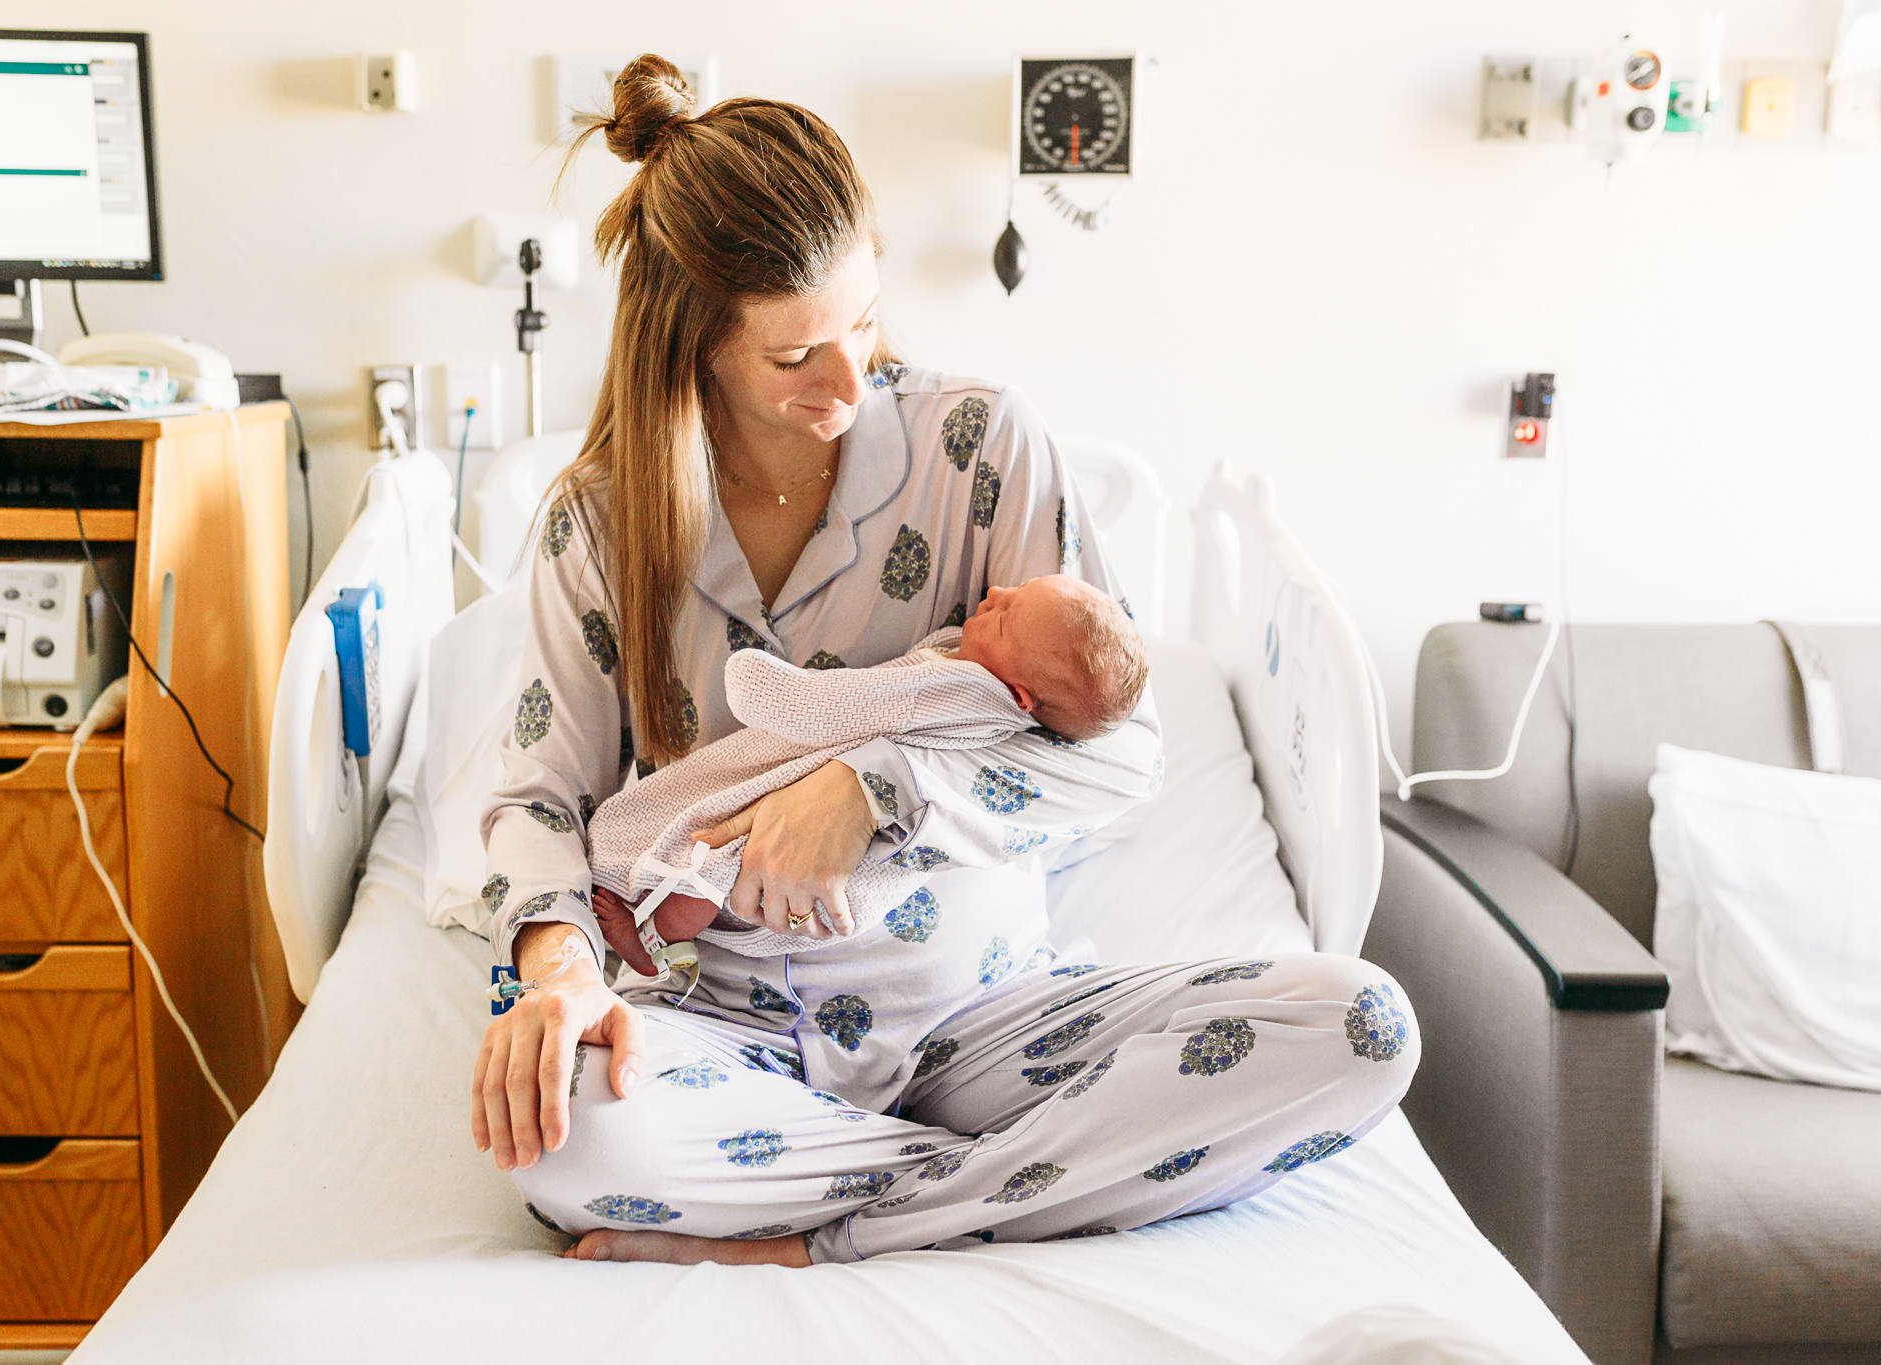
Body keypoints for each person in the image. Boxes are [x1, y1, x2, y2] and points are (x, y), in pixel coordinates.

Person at [470, 54, 1419, 1268]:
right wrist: (561, 976)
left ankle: (820, 1233)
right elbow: (537, 798)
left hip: (984, 1017)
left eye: (863, 322)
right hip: (719, 1022)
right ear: (692, 345)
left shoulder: (979, 447)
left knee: (1359, 1028)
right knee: (560, 1144)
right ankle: (1021, 1186)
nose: (849, 380)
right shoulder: (598, 524)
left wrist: (873, 792)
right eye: (794, 356)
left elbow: (1117, 757)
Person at [577, 575, 1151, 976]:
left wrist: (782, 694)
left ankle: (655, 944)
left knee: (715, 862)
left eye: (1003, 618)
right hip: (830, 810)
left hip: (851, 846)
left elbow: (865, 702)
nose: (993, 594)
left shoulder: (968, 692)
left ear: (1020, 696)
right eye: (1012, 594)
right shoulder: (984, 670)